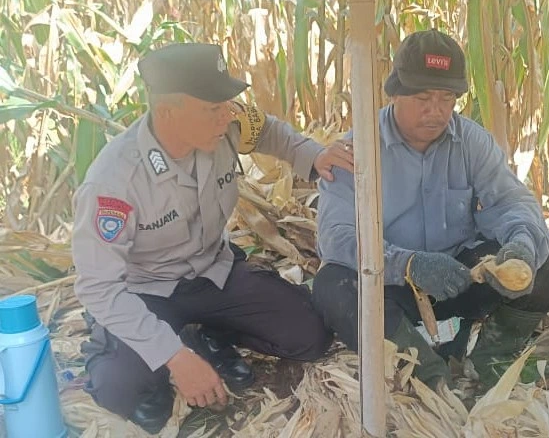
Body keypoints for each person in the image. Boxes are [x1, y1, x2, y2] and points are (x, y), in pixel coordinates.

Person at [72, 43, 354, 434]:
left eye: (226, 105)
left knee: (309, 335)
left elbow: (271, 132)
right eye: (212, 109)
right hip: (148, 290)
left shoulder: (226, 125)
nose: (227, 115)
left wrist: (313, 155)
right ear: (167, 112)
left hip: (214, 272)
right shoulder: (114, 183)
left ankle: (209, 335)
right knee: (119, 388)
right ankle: (142, 347)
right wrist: (174, 357)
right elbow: (98, 287)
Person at [312, 30, 549, 388]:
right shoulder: (357, 149)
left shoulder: (471, 141)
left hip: (461, 277)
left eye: (447, 98)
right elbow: (336, 237)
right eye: (423, 98)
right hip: (393, 286)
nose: (436, 111)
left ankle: (491, 357)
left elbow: (510, 201)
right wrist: (409, 264)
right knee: (333, 286)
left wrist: (520, 248)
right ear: (395, 92)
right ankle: (427, 372)